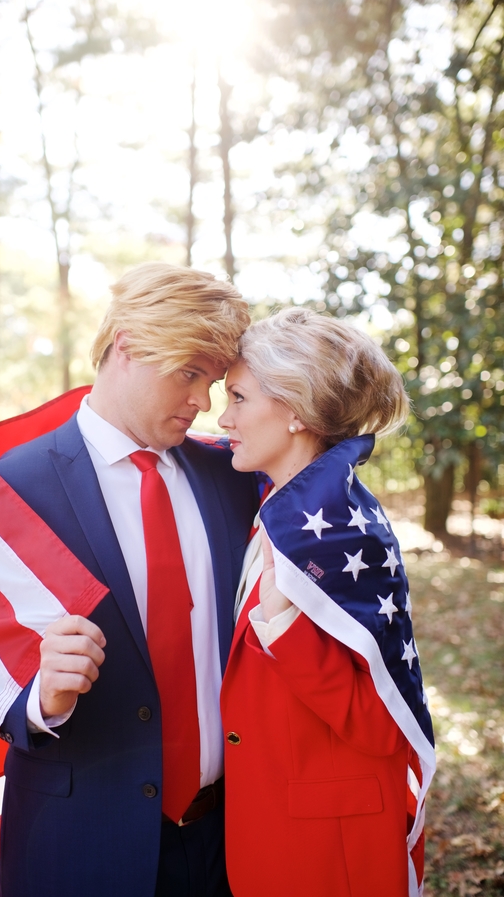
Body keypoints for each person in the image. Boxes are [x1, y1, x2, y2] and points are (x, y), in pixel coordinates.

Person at [0, 263, 260, 897]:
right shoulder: (16, 483)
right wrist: (42, 698)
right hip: (79, 840)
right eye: (189, 373)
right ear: (127, 344)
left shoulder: (231, 476)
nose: (203, 402)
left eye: (212, 382)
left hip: (229, 840)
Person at [217, 307, 435, 897]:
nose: (223, 417)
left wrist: (285, 626)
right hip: (274, 828)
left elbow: (385, 723)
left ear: (294, 410)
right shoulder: (279, 511)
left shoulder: (341, 532)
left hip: (332, 848)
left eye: (238, 397)